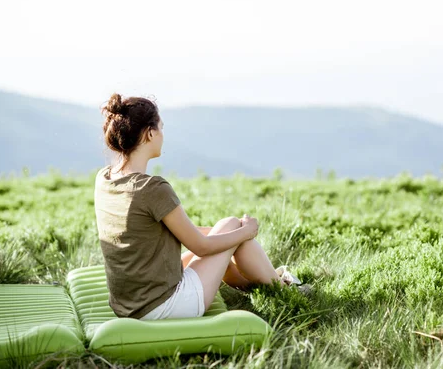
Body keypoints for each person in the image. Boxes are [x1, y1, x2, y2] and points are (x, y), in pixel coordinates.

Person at [94, 93, 301, 321]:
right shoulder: (152, 188)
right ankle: (283, 290)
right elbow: (201, 247)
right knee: (232, 225)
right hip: (162, 306)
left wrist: (234, 234)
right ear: (150, 133)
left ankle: (267, 285)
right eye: (161, 128)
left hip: (129, 302)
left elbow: (181, 232)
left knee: (230, 231)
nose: (163, 135)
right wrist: (246, 231)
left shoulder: (105, 179)